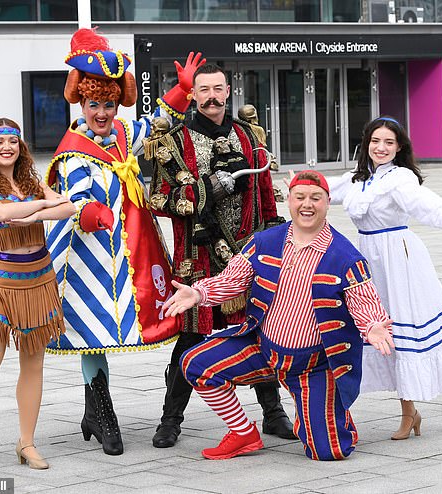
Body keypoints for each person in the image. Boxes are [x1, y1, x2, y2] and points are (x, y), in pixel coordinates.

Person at [44, 28, 205, 455]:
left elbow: (154, 123)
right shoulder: (73, 150)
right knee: (89, 332)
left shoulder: (120, 135)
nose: (102, 112)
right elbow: (71, 197)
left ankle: (94, 411)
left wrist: (181, 92)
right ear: (82, 102)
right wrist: (85, 210)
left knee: (117, 326)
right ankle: (100, 411)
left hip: (128, 252)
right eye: (95, 104)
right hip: (87, 257)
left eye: (109, 104)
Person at [163, 170, 395, 461]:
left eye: (315, 198)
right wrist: (198, 293)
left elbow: (365, 300)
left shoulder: (345, 256)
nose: (306, 204)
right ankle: (243, 433)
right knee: (195, 363)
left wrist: (372, 325)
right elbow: (232, 279)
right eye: (300, 197)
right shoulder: (265, 242)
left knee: (328, 452)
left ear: (328, 201)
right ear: (289, 200)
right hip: (264, 350)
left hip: (314, 364)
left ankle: (330, 416)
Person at [148, 63, 294, 449]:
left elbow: (265, 194)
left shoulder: (249, 136)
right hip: (197, 257)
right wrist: (208, 187)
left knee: (258, 330)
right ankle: (170, 420)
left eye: (218, 89)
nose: (211, 97)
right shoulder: (175, 142)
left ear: (228, 91)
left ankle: (273, 413)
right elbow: (160, 199)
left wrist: (274, 239)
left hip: (248, 254)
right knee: (191, 337)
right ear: (193, 95)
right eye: (203, 90)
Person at [328, 116, 442, 440]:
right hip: (370, 259)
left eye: (389, 142)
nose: (381, 148)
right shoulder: (357, 179)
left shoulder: (401, 178)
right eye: (376, 141)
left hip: (402, 258)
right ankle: (410, 414)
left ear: (399, 147)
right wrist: (295, 186)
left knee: (432, 321)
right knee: (390, 333)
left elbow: (425, 206)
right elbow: (322, 190)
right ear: (366, 143)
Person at [0, 93, 76, 481]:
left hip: (40, 281)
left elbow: (68, 207)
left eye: (12, 141)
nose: (6, 147)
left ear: (20, 146)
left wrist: (36, 207)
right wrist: (37, 208)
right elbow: (1, 213)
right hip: (2, 285)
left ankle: (26, 442)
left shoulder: (31, 181)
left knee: (34, 363)